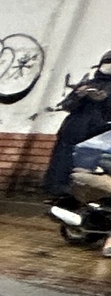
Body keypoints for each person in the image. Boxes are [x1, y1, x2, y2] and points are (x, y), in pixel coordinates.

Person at [44, 51, 111, 198]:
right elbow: (67, 105)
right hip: (72, 130)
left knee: (88, 167)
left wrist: (105, 99)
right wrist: (78, 96)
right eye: (107, 62)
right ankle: (56, 192)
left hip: (97, 135)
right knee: (61, 163)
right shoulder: (87, 84)